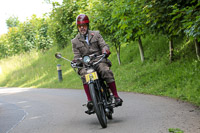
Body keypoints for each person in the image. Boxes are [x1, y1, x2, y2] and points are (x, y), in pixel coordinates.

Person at [71, 14, 123, 114]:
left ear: (87, 25)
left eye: (84, 25)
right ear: (77, 28)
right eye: (80, 26)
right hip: (86, 65)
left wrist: (105, 51)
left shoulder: (96, 34)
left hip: (99, 61)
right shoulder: (75, 41)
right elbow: (76, 55)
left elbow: (104, 45)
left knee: (105, 70)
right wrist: (75, 61)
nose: (82, 28)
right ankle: (90, 101)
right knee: (84, 75)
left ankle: (116, 96)